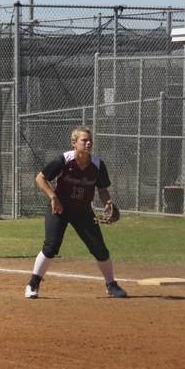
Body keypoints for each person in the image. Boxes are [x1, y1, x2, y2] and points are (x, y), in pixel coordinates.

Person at [25, 127, 127, 299]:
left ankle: (111, 285)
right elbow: (40, 178)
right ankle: (32, 285)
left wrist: (108, 202)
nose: (88, 143)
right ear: (74, 143)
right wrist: (53, 197)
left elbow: (102, 189)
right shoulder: (64, 160)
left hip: (83, 210)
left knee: (100, 249)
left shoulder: (97, 164)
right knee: (51, 246)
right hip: (59, 208)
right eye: (84, 140)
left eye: (90, 140)